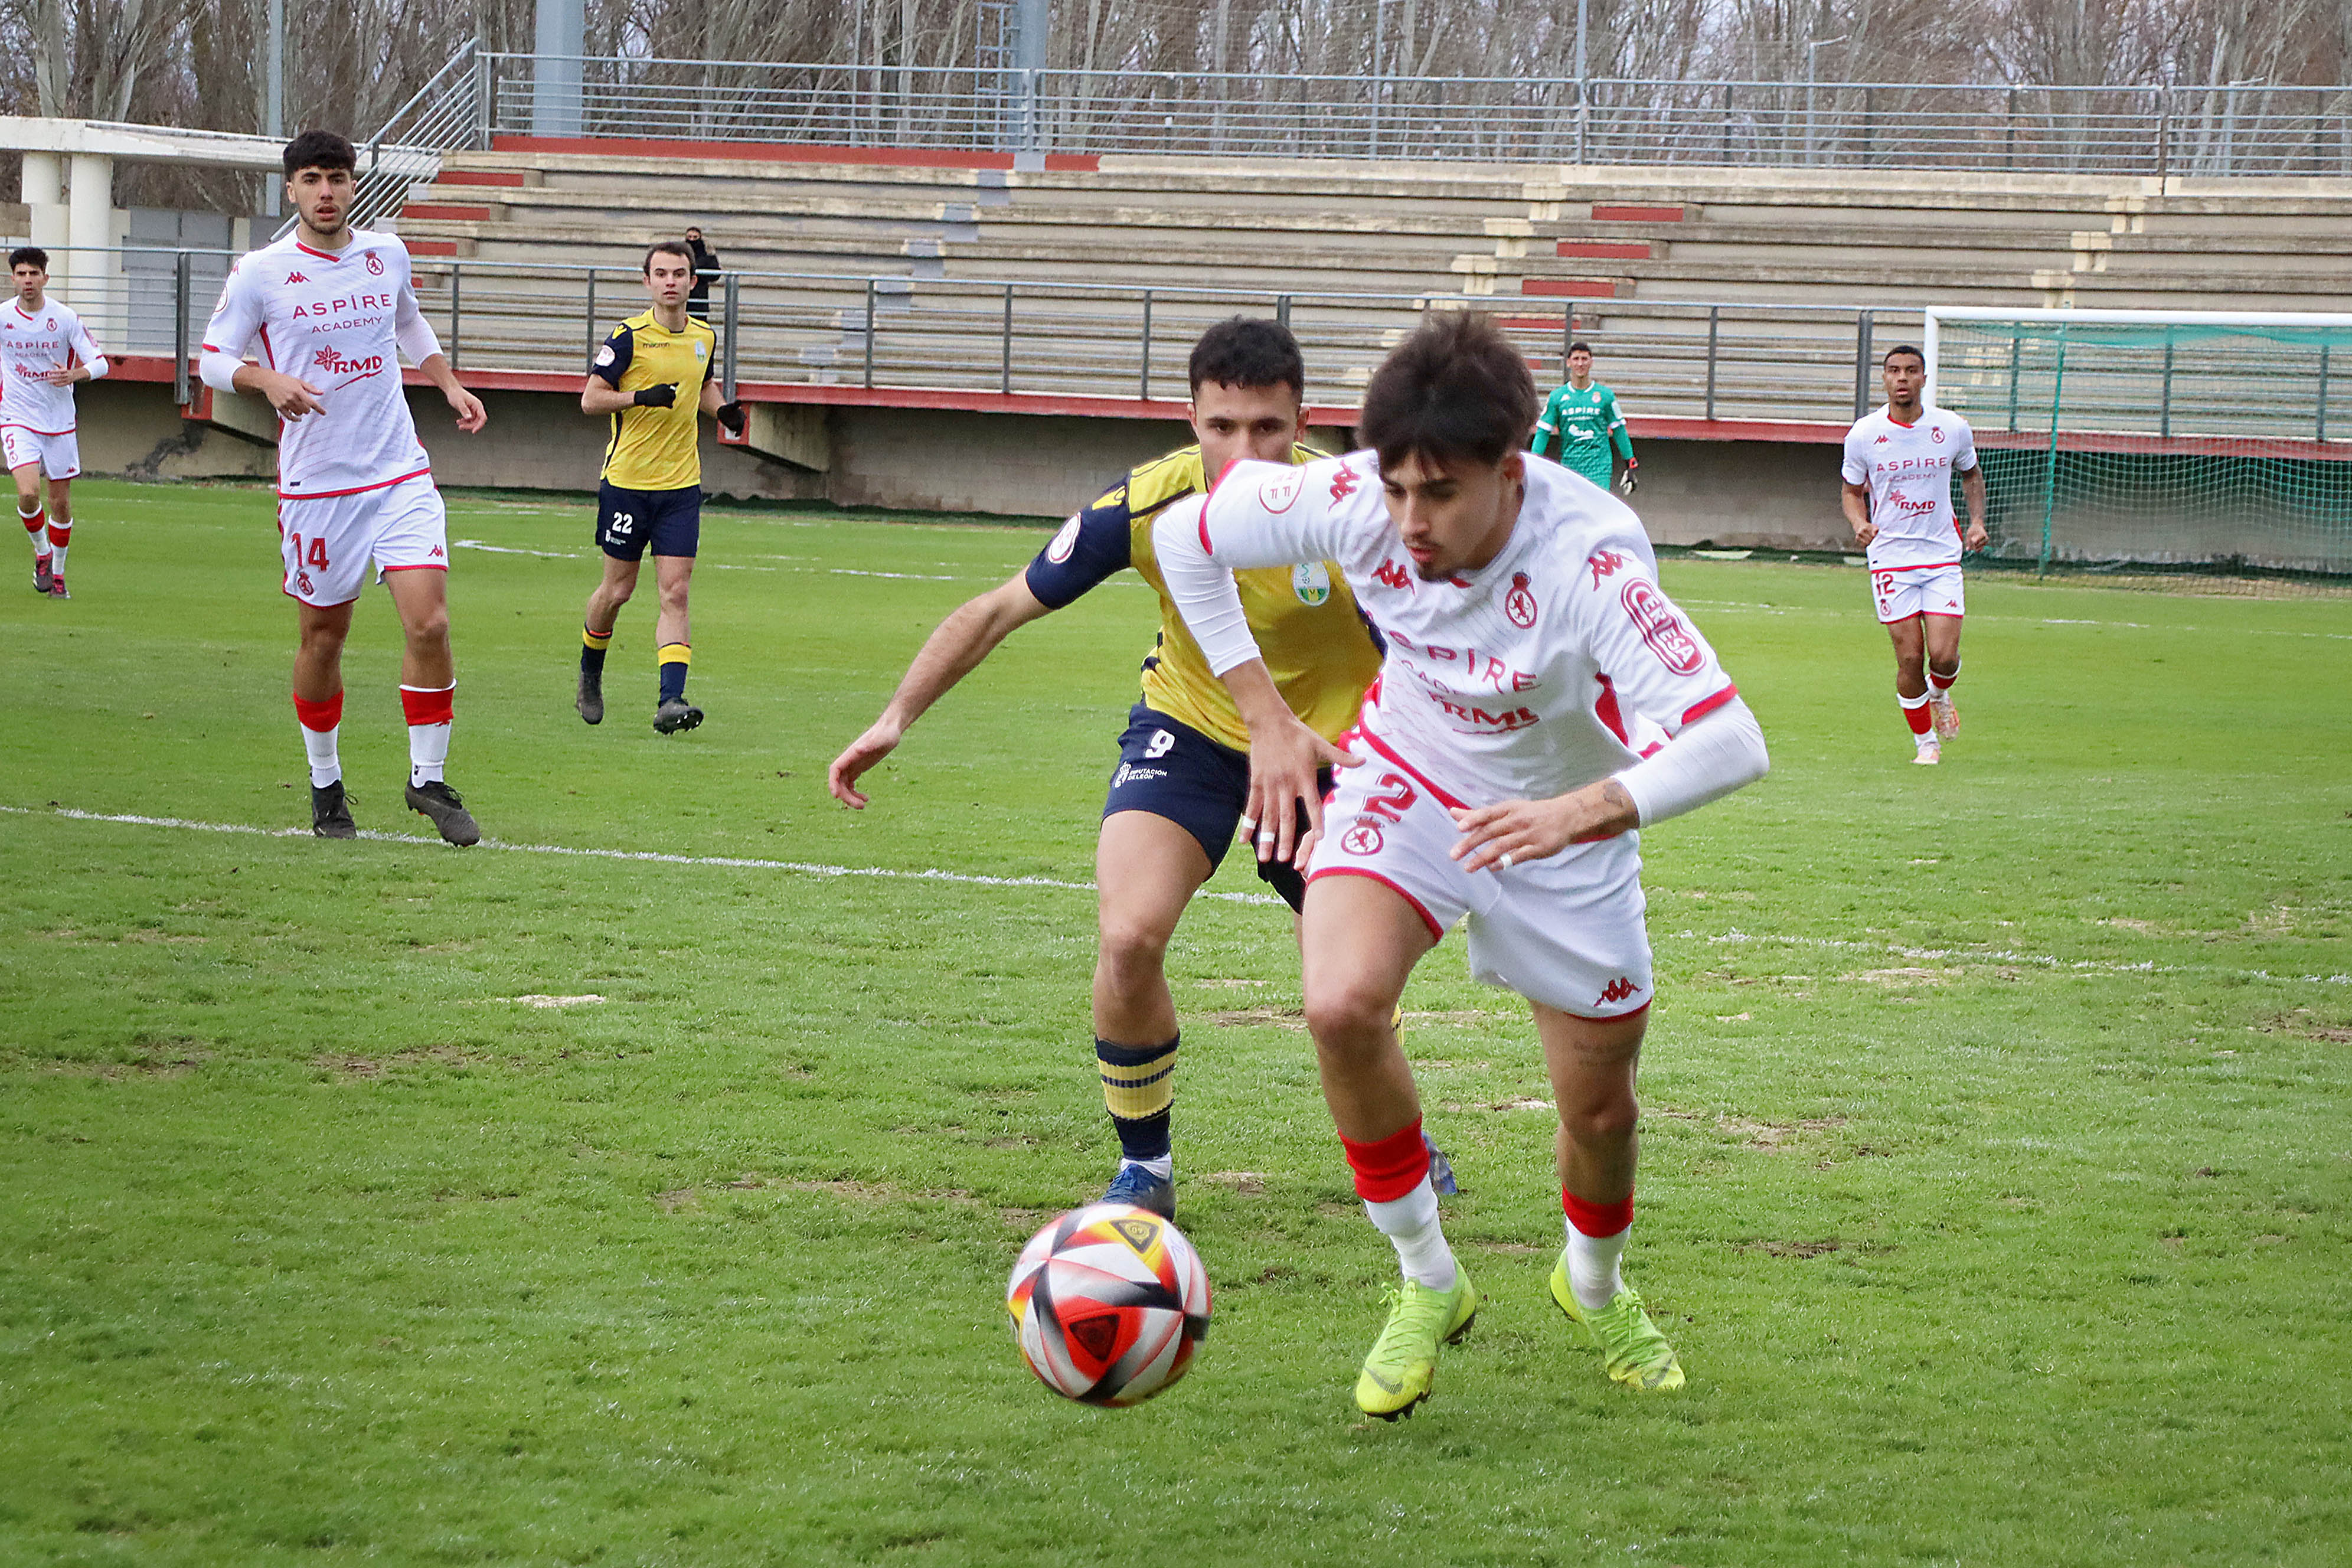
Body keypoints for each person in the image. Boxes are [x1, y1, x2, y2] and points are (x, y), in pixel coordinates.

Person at [1150, 312, 1769, 1420]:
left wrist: (1576, 811)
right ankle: (1427, 1280)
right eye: (1394, 489)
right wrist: (1267, 717)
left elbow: (1731, 738)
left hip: (1564, 822)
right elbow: (1189, 539)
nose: (1407, 522)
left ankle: (1592, 1287)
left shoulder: (1592, 560)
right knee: (1338, 1005)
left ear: (1508, 465)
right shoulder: (1352, 500)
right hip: (1411, 771)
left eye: (1437, 493)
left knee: (1599, 1116)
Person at [829, 318, 1387, 1222]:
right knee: (1128, 936)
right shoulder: (1144, 506)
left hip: (1331, 758)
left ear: (1304, 421)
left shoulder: (1355, 515)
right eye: (1221, 427)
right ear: (1190, 418)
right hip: (1192, 734)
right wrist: (895, 718)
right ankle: (1146, 1165)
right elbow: (1000, 607)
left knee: (1348, 989)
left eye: (1268, 430)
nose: (1243, 452)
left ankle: (1393, 1141)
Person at [200, 129, 490, 844]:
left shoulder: (385, 253)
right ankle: (326, 783)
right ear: (291, 190)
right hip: (317, 487)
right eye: (311, 180)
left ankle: (428, 778)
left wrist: (448, 383)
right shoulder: (261, 273)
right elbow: (210, 359)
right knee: (324, 636)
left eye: (336, 178)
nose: (325, 191)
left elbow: (408, 323)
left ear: (354, 184)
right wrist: (265, 379)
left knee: (431, 621)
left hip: (399, 471)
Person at [575, 240, 744, 734]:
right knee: (618, 590)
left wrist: (723, 409)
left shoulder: (704, 336)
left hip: (681, 487)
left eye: (679, 274)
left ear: (694, 283)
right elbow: (590, 399)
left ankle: (671, 699)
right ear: (646, 281)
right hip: (627, 484)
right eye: (661, 273)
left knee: (676, 592)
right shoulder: (628, 337)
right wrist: (638, 397)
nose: (670, 281)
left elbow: (702, 385)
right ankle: (590, 673)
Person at [1840, 344, 1987, 765]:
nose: (1902, 378)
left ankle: (1939, 693)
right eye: (1893, 371)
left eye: (1911, 371)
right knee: (1909, 657)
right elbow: (1851, 491)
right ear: (1884, 379)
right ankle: (1926, 744)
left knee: (1943, 656)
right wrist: (1859, 523)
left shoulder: (1952, 427)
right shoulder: (1865, 434)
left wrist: (1976, 522)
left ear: (1924, 378)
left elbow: (1971, 474)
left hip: (1941, 553)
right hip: (1890, 557)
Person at [4, 246, 108, 599]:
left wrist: (75, 373)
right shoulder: (3, 318)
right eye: (21, 274)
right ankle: (42, 552)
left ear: (46, 278)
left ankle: (58, 575)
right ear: (13, 278)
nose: (28, 280)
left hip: (59, 422)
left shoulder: (65, 318)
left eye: (34, 273)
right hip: (16, 417)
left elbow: (101, 363)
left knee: (60, 503)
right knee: (28, 492)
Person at [1530, 340, 1636, 495]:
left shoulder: (1606, 396)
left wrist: (1630, 462)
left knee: (1597, 512)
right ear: (1568, 363)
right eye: (1576, 359)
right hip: (1570, 466)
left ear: (1591, 362)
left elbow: (1619, 430)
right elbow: (1543, 432)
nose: (1580, 364)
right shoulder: (1557, 397)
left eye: (1585, 359)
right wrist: (1534, 461)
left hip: (1599, 468)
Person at [684, 227, 720, 323]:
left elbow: (715, 274)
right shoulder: (682, 253)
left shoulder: (708, 254)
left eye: (695, 237)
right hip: (684, 293)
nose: (692, 240)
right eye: (690, 237)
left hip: (700, 294)